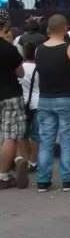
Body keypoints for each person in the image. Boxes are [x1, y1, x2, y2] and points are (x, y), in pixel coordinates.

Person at [35, 14, 70, 191]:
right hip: (67, 98)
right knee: (68, 140)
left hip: (44, 99)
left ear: (49, 29)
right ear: (65, 28)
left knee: (45, 140)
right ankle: (68, 179)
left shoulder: (39, 50)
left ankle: (43, 180)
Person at [0, 16, 27, 190]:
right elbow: (20, 73)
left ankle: (11, 161)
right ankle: (3, 175)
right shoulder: (9, 49)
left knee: (2, 133)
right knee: (11, 135)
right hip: (10, 94)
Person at [17, 42, 40, 174]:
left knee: (23, 134)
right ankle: (33, 161)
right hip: (37, 103)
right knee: (36, 135)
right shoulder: (39, 68)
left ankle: (25, 159)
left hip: (23, 103)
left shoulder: (20, 68)